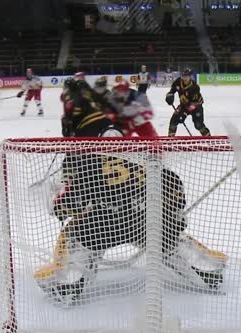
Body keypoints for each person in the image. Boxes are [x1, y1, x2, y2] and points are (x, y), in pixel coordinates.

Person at [35, 148, 226, 305]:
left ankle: (69, 280)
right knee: (169, 236)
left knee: (74, 233)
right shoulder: (142, 156)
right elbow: (174, 187)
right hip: (148, 222)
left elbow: (62, 206)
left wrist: (60, 205)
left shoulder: (86, 162)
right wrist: (175, 217)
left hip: (104, 226)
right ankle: (207, 268)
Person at [165, 68, 210, 136]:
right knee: (174, 119)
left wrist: (184, 114)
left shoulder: (195, 87)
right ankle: (170, 139)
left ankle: (209, 138)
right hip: (184, 105)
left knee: (198, 124)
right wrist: (169, 95)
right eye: (183, 76)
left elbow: (193, 104)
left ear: (190, 77)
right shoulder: (178, 82)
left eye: (187, 76)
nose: (184, 78)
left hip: (196, 106)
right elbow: (172, 90)